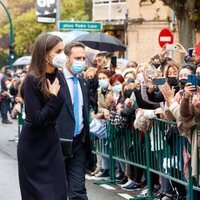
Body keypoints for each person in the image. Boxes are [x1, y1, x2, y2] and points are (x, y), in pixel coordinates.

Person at [17, 33, 68, 200]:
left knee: (59, 193)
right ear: (45, 54)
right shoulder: (32, 80)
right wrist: (52, 97)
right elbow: (37, 118)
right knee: (38, 195)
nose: (63, 55)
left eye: (63, 50)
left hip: (51, 141)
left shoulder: (59, 76)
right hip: (33, 145)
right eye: (58, 51)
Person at [57, 42, 91, 200]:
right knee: (56, 191)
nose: (81, 61)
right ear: (67, 58)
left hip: (78, 144)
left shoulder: (84, 83)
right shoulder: (56, 80)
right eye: (77, 58)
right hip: (57, 144)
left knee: (78, 192)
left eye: (83, 58)